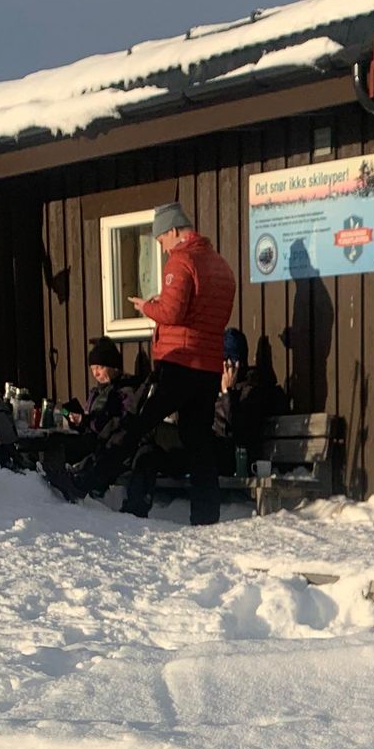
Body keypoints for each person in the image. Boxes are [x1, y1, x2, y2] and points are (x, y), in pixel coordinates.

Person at [45, 202, 235, 524]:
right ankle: (206, 516)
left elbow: (173, 313)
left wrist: (148, 306)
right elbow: (208, 314)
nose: (161, 249)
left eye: (161, 240)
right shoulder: (221, 266)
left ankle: (85, 481)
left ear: (174, 231)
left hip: (177, 363)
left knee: (134, 421)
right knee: (198, 441)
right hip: (207, 368)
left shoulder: (181, 260)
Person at [214, 327, 286, 467]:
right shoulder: (217, 389)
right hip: (220, 454)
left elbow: (238, 432)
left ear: (235, 364)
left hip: (239, 460)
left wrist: (227, 392)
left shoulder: (253, 390)